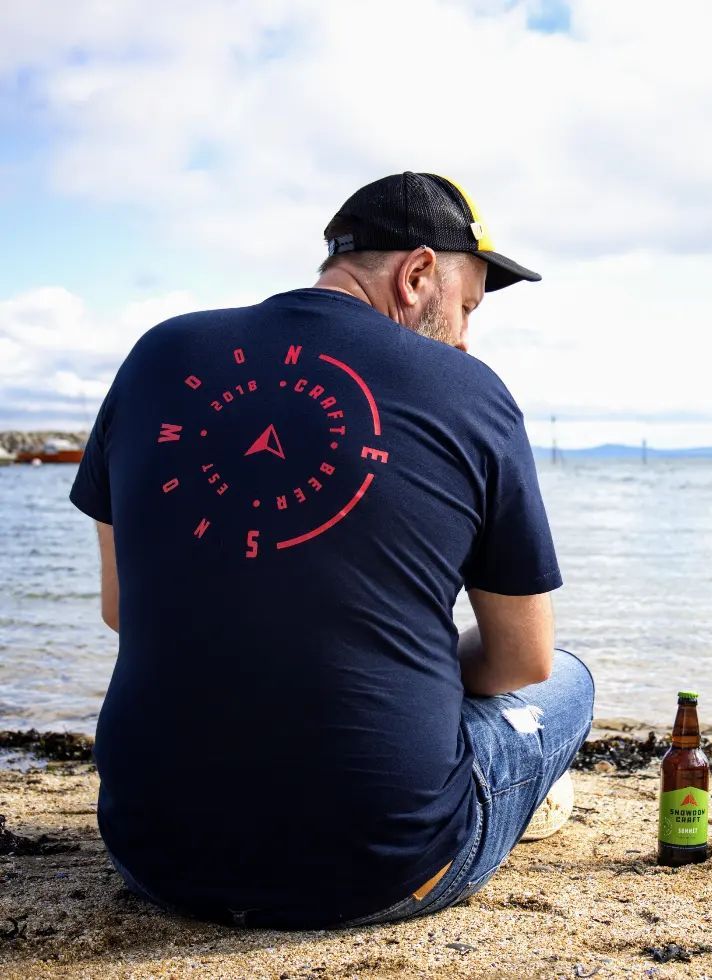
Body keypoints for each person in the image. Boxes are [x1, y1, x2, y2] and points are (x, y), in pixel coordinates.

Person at [69, 172, 594, 929]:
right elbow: (522, 660)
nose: (467, 337)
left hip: (154, 856)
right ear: (417, 275)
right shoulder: (471, 390)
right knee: (568, 679)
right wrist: (390, 673)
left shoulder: (158, 354)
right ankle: (518, 795)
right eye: (467, 306)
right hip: (382, 871)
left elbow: (123, 611)